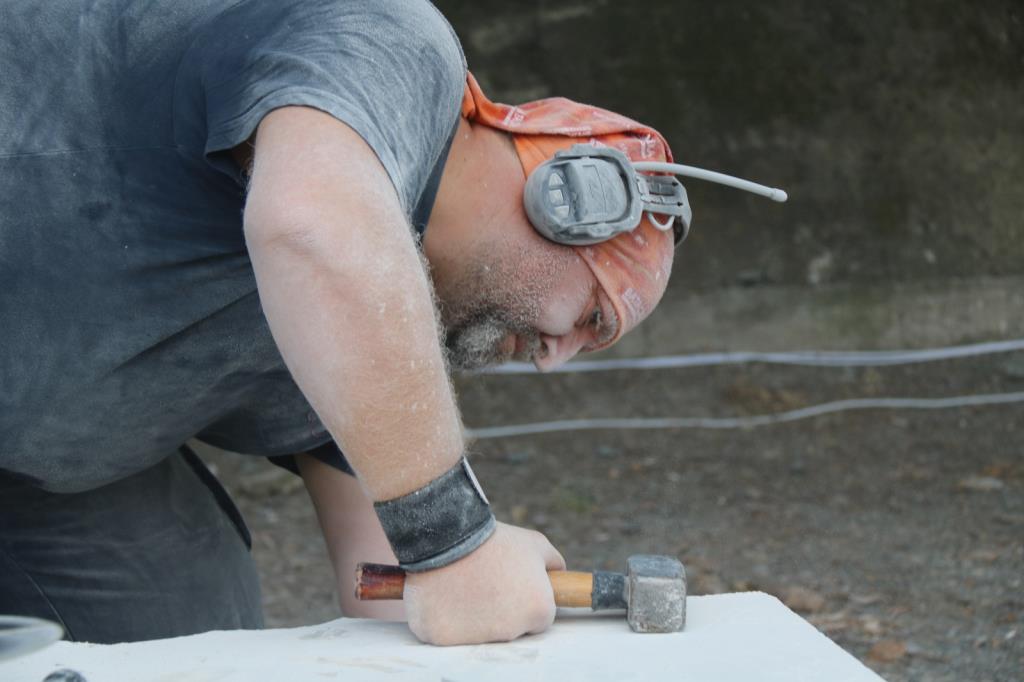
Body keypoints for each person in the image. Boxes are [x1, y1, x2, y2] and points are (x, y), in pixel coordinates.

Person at [0, 0, 675, 646]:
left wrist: (481, 597)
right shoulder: (392, 41)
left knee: (190, 619)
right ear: (568, 195)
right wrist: (452, 542)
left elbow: (384, 579)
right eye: (592, 318)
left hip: (30, 470)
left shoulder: (363, 347)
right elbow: (311, 226)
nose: (555, 358)